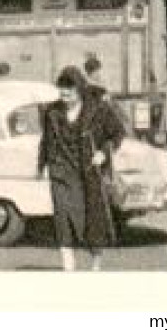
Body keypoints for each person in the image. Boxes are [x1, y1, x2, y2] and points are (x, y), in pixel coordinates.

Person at [38, 65, 125, 271]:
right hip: (61, 173)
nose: (64, 94)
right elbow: (46, 140)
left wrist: (103, 153)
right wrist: (42, 165)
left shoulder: (98, 110)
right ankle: (69, 267)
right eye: (61, 90)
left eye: (69, 90)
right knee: (63, 219)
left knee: (91, 221)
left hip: (88, 173)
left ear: (80, 89)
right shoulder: (52, 111)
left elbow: (117, 133)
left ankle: (95, 266)